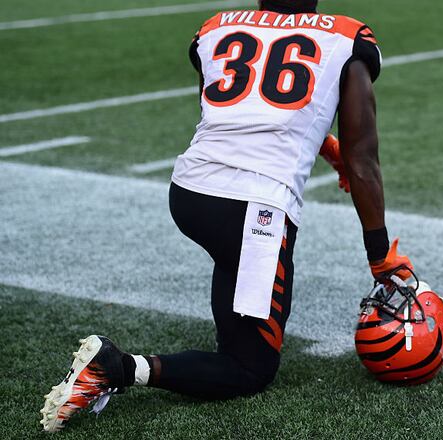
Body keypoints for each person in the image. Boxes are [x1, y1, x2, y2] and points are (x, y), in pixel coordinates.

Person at [40, 0, 413, 432]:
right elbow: (363, 157)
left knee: (235, 279)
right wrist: (380, 255)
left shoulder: (216, 27)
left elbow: (232, 111)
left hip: (190, 192)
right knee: (249, 369)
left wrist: (324, 144)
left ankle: (229, 330)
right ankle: (117, 367)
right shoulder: (348, 37)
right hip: (253, 207)